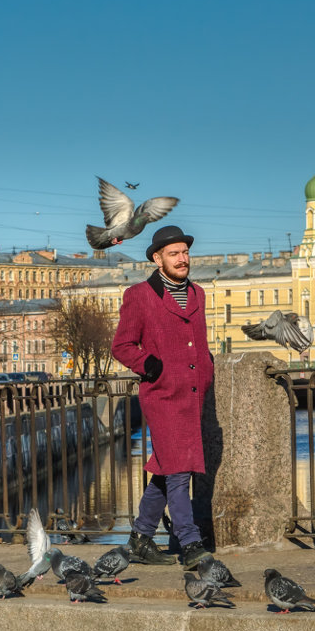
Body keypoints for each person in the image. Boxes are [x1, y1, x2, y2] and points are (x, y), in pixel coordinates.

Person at [111, 225, 214, 569]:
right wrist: (150, 366)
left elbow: (197, 344)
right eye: (174, 253)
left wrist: (206, 371)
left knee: (166, 467)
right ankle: (190, 541)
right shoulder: (139, 295)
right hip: (163, 395)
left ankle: (141, 537)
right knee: (180, 470)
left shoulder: (197, 293)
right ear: (157, 258)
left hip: (194, 395)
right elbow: (121, 345)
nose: (182, 259)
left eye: (185, 252)